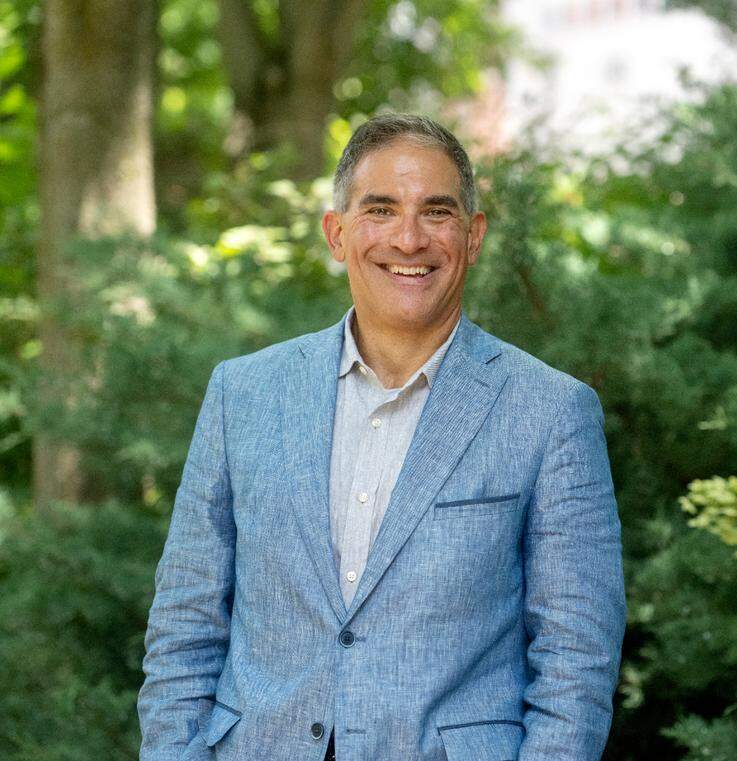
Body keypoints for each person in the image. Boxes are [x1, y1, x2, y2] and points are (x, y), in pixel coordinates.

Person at [137, 113, 626, 761]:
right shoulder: (242, 394)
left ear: (473, 236)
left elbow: (576, 663)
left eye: (437, 212)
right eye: (381, 209)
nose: (409, 237)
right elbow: (183, 629)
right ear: (336, 234)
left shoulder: (550, 412)